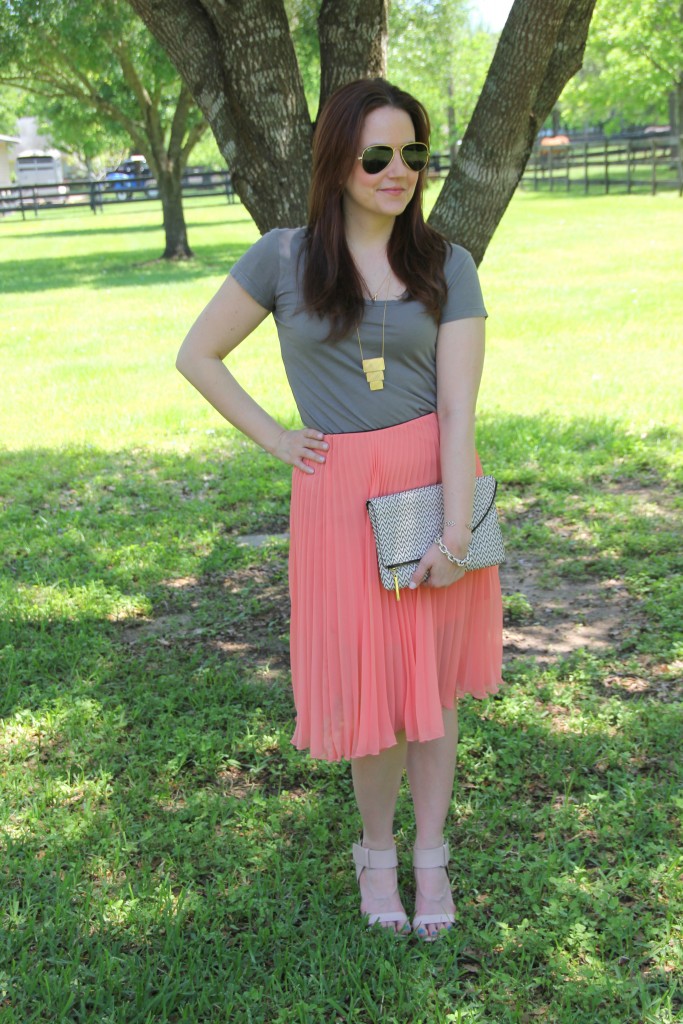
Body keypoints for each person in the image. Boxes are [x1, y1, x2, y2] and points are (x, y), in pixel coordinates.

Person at [176, 78, 503, 940]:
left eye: (413, 155)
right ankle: (374, 853)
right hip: (336, 499)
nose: (398, 171)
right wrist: (278, 438)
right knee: (373, 692)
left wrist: (457, 527)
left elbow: (460, 409)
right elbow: (198, 354)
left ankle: (429, 858)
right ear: (337, 161)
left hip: (434, 488)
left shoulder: (446, 265)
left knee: (431, 688)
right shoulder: (283, 258)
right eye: (376, 155)